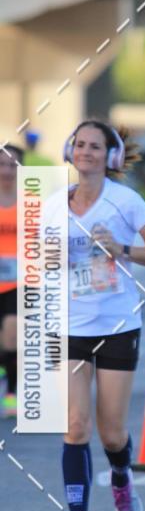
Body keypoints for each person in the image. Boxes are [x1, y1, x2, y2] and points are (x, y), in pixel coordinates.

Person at [57, 120, 145, 511]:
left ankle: (122, 476)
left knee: (110, 432)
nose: (85, 152)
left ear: (112, 156)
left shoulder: (125, 202)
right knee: (75, 426)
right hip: (69, 326)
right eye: (80, 145)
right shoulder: (53, 204)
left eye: (95, 146)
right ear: (70, 151)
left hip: (117, 326)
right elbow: (36, 263)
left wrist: (121, 250)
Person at [0, 144, 23, 417]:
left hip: (19, 282)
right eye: (2, 164)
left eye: (12, 165)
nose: (6, 170)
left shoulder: (30, 203)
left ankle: (12, 393)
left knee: (11, 335)